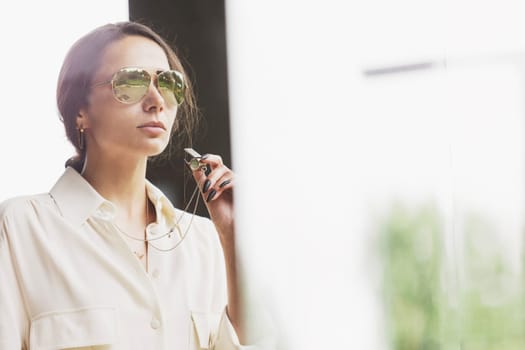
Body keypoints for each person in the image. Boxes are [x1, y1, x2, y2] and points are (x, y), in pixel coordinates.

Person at [0, 21, 250, 349]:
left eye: (169, 83)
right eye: (131, 81)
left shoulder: (205, 241)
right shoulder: (20, 228)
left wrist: (232, 238)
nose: (156, 100)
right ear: (79, 110)